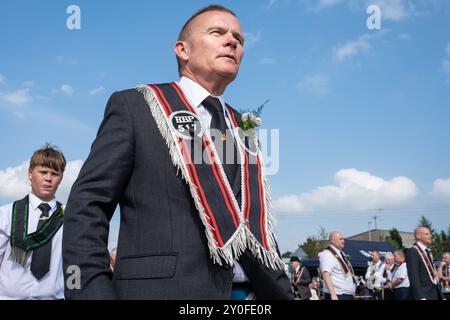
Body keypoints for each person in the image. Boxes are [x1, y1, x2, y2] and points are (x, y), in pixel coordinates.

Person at [62, 5, 292, 300]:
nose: (232, 41)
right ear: (182, 50)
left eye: (239, 38)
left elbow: (251, 232)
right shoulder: (136, 107)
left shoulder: (243, 127)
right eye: (217, 32)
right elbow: (87, 205)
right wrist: (91, 293)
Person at [0, 144, 66, 299]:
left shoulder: (69, 216)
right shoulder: (6, 213)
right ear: (30, 173)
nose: (48, 178)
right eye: (43, 172)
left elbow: (75, 264)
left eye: (54, 173)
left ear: (61, 178)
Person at [406, 227, 443, 300]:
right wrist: (420, 297)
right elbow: (414, 277)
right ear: (418, 236)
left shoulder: (427, 252)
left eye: (430, 234)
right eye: (427, 234)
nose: (431, 236)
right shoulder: (413, 251)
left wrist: (441, 295)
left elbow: (433, 276)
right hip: (424, 294)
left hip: (434, 293)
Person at [319, 231, 356, 300]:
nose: (343, 241)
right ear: (333, 241)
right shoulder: (328, 254)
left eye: (343, 239)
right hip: (338, 294)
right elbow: (326, 274)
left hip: (346, 294)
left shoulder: (341, 253)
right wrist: (333, 294)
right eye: (340, 239)